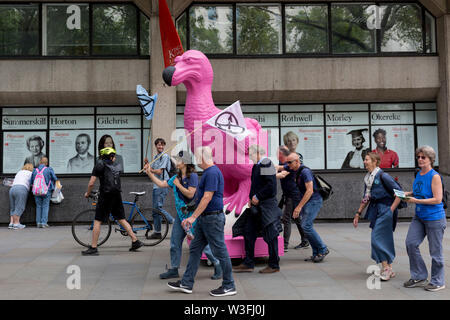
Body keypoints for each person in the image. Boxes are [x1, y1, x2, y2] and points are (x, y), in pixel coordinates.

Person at [167, 146, 236, 297]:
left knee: (220, 251)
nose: (196, 161)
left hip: (212, 218)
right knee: (195, 250)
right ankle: (186, 283)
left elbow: (207, 197)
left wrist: (193, 217)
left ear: (203, 157)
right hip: (206, 218)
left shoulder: (211, 172)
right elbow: (198, 198)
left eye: (197, 157)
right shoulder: (207, 173)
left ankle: (229, 285)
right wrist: (190, 212)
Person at [144, 150, 223, 280]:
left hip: (192, 216)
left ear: (184, 162)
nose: (175, 162)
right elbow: (162, 184)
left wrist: (178, 185)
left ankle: (217, 263)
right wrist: (149, 173)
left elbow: (191, 194)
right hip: (180, 216)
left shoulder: (192, 176)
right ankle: (174, 269)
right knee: (175, 242)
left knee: (201, 244)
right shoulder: (176, 177)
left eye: (178, 160)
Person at [82, 147, 143, 255]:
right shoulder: (116, 166)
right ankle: (135, 240)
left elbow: (91, 183)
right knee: (121, 219)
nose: (114, 157)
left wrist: (87, 193)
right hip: (117, 195)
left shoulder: (99, 165)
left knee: (97, 220)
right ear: (110, 157)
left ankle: (93, 247)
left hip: (106, 195)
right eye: (113, 155)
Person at [403, 146, 446, 292]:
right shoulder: (419, 174)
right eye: (418, 157)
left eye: (423, 157)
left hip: (434, 218)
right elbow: (419, 191)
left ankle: (438, 281)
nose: (420, 159)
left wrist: (416, 201)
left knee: (435, 251)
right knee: (411, 243)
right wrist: (406, 193)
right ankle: (420, 276)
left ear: (431, 160)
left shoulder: (434, 176)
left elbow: (437, 199)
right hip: (419, 217)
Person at [353, 152, 402, 281]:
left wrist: (390, 210)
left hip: (385, 209)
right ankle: (389, 268)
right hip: (376, 210)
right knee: (383, 238)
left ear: (375, 162)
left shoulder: (383, 176)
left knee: (376, 239)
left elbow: (399, 193)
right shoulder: (368, 178)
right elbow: (366, 197)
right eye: (364, 159)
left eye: (367, 159)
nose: (364, 161)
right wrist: (358, 213)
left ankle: (386, 268)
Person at [233, 144, 282, 274]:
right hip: (257, 206)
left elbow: (271, 186)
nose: (249, 157)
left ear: (257, 154)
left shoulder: (266, 163)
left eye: (251, 154)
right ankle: (248, 263)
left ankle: (274, 265)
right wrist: (251, 198)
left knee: (271, 235)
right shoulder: (257, 166)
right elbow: (256, 185)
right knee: (248, 231)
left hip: (267, 207)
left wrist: (257, 196)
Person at [287, 153, 329, 262]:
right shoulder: (294, 168)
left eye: (289, 162)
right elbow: (281, 167)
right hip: (308, 202)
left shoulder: (305, 172)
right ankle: (316, 253)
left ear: (297, 161)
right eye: (287, 162)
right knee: (306, 226)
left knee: (306, 226)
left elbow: (309, 191)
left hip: (314, 201)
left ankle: (323, 249)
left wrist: (298, 207)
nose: (288, 165)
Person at [276, 146, 309, 252]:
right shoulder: (284, 163)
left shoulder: (289, 164)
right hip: (289, 194)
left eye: (278, 153)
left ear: (282, 154)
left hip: (293, 195)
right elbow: (278, 168)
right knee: (296, 218)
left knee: (286, 218)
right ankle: (305, 240)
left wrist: (266, 172)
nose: (277, 154)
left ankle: (284, 244)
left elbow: (282, 173)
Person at [147, 138, 175, 239]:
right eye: (159, 145)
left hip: (162, 185)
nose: (161, 147)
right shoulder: (155, 157)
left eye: (162, 145)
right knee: (155, 211)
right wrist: (147, 166)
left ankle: (175, 223)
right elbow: (151, 169)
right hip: (156, 186)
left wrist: (150, 170)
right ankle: (157, 232)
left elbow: (159, 171)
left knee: (157, 209)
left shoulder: (165, 156)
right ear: (155, 146)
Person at [31, 157, 60, 228]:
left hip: (37, 191)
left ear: (40, 162)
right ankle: (44, 222)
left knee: (38, 206)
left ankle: (38, 222)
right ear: (46, 163)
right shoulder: (49, 169)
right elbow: (55, 178)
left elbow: (31, 181)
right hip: (47, 190)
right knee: (45, 206)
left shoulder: (35, 170)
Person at [8, 163, 34, 230]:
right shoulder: (30, 173)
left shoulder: (19, 172)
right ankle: (16, 224)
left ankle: (11, 223)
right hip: (22, 189)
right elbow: (32, 182)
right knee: (19, 206)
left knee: (13, 207)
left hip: (12, 189)